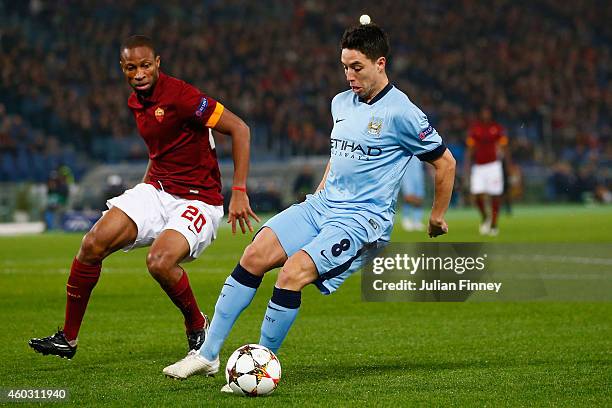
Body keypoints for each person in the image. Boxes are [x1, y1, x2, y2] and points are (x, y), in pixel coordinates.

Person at [162, 23, 456, 384]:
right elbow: (339, 154)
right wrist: (319, 192)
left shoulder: (403, 112)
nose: (349, 75)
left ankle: (261, 366)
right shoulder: (340, 102)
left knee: (291, 274)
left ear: (381, 63)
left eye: (357, 67)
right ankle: (207, 354)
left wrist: (437, 215)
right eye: (345, 66)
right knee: (254, 255)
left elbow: (445, 162)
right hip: (322, 206)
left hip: (361, 221)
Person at [28, 35, 259, 359]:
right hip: (158, 190)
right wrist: (143, 192)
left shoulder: (182, 96)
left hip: (198, 200)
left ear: (158, 63)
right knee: (92, 243)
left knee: (159, 262)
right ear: (122, 69)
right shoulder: (136, 102)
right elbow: (160, 150)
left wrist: (238, 191)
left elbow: (240, 129)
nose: (139, 73)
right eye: (131, 67)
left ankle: (196, 325)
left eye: (145, 65)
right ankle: (68, 337)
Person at [464, 106, 508, 236]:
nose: (485, 115)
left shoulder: (497, 128)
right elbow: (470, 148)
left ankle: (494, 224)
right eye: (483, 112)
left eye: (487, 112)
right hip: (478, 167)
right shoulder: (475, 129)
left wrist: (509, 164)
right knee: (477, 195)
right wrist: (466, 165)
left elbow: (504, 147)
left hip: (493, 166)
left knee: (495, 195)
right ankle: (485, 217)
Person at [400, 158, 426, 231]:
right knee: (408, 196)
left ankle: (417, 221)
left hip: (418, 173)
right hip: (406, 171)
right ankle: (406, 219)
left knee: (419, 197)